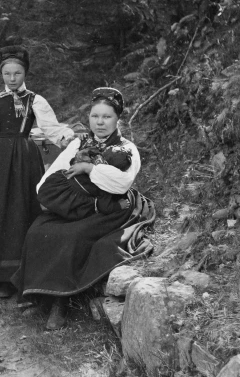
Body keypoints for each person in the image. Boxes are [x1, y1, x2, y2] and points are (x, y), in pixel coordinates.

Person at [12, 87, 155, 329]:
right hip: (77, 202)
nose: (100, 122)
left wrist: (89, 170)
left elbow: (121, 183)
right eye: (95, 116)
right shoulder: (79, 142)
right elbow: (55, 172)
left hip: (108, 206)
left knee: (72, 235)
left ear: (117, 119)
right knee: (39, 229)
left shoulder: (126, 148)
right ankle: (41, 296)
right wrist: (59, 193)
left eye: (107, 117)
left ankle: (61, 303)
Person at [0, 46, 75, 298]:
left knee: (19, 212)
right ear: (1, 74)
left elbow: (52, 129)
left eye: (17, 73)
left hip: (25, 161)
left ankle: (13, 279)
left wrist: (71, 140)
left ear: (25, 73)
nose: (12, 79)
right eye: (7, 74)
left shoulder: (36, 100)